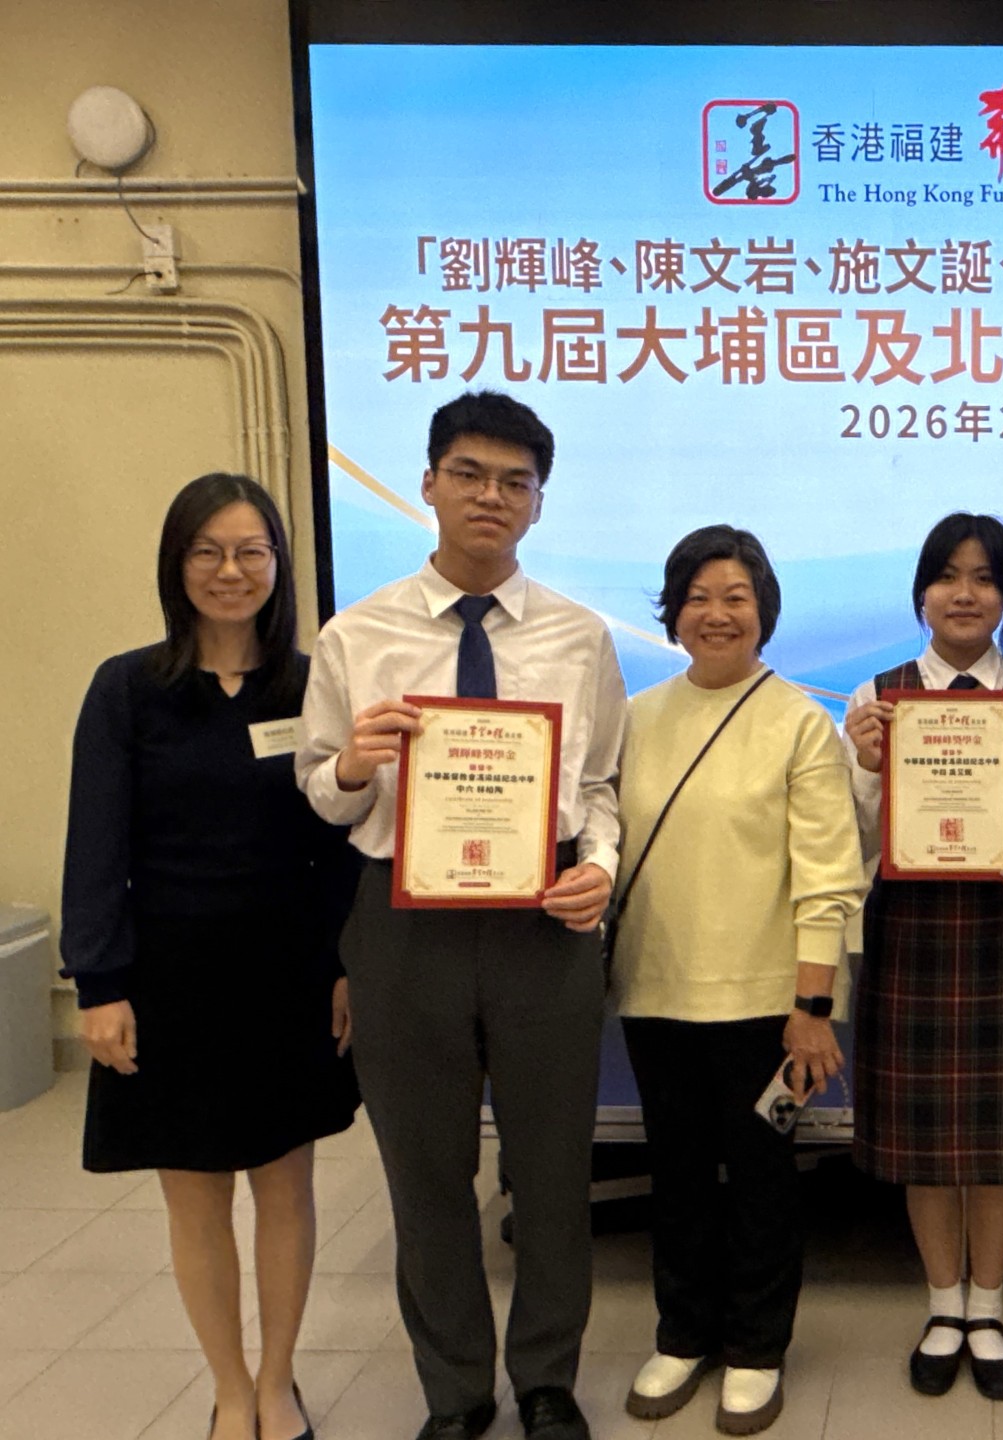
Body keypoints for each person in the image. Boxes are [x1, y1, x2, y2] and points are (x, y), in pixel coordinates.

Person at [296, 391, 625, 1440]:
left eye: (516, 482)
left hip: (543, 924)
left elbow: (600, 786)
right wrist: (355, 766)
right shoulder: (357, 635)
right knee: (426, 1171)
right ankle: (455, 1391)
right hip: (404, 925)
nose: (493, 496)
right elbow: (319, 791)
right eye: (471, 474)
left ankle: (546, 1380)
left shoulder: (580, 637)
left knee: (553, 1169)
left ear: (539, 503)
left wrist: (600, 866)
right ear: (429, 483)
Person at [60, 473, 360, 1440]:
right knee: (194, 1197)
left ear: (278, 564)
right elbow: (95, 843)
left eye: (251, 552)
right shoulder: (127, 689)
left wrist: (346, 964)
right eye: (208, 552)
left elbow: (338, 843)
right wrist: (100, 984)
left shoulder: (312, 686)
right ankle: (230, 1387)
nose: (231, 572)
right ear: (177, 564)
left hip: (288, 975)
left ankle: (277, 1382)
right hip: (169, 981)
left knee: (286, 1188)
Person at [611, 526, 864, 1438]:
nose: (716, 614)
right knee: (676, 1175)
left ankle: (757, 1347)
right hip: (655, 994)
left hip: (769, 1007)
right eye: (698, 597)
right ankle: (683, 1334)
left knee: (762, 1180)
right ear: (673, 611)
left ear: (765, 611)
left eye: (737, 598)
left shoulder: (798, 720)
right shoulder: (634, 717)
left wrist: (812, 1008)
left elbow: (828, 877)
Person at [841, 513, 1003, 1402]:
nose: (965, 594)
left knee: (999, 1139)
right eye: (947, 576)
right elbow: (857, 836)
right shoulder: (878, 698)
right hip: (911, 935)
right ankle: (944, 1304)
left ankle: (989, 1305)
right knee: (928, 1139)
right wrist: (868, 768)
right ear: (922, 595)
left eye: (984, 578)